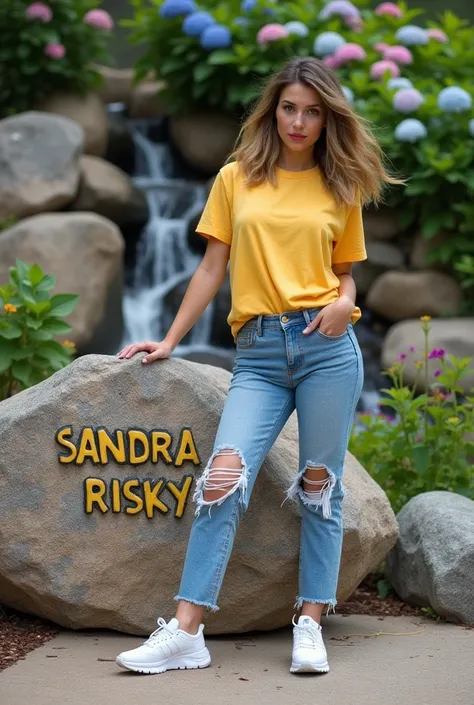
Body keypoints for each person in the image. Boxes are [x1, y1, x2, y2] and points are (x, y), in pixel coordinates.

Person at [115, 56, 399, 676]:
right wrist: (167, 341)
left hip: (328, 349)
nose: (299, 121)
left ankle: (310, 623)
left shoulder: (340, 185)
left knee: (322, 488)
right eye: (289, 107)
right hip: (260, 353)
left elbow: (346, 279)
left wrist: (342, 307)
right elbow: (212, 268)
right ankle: (187, 632)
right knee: (222, 478)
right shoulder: (236, 177)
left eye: (313, 111)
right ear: (274, 111)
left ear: (328, 119)